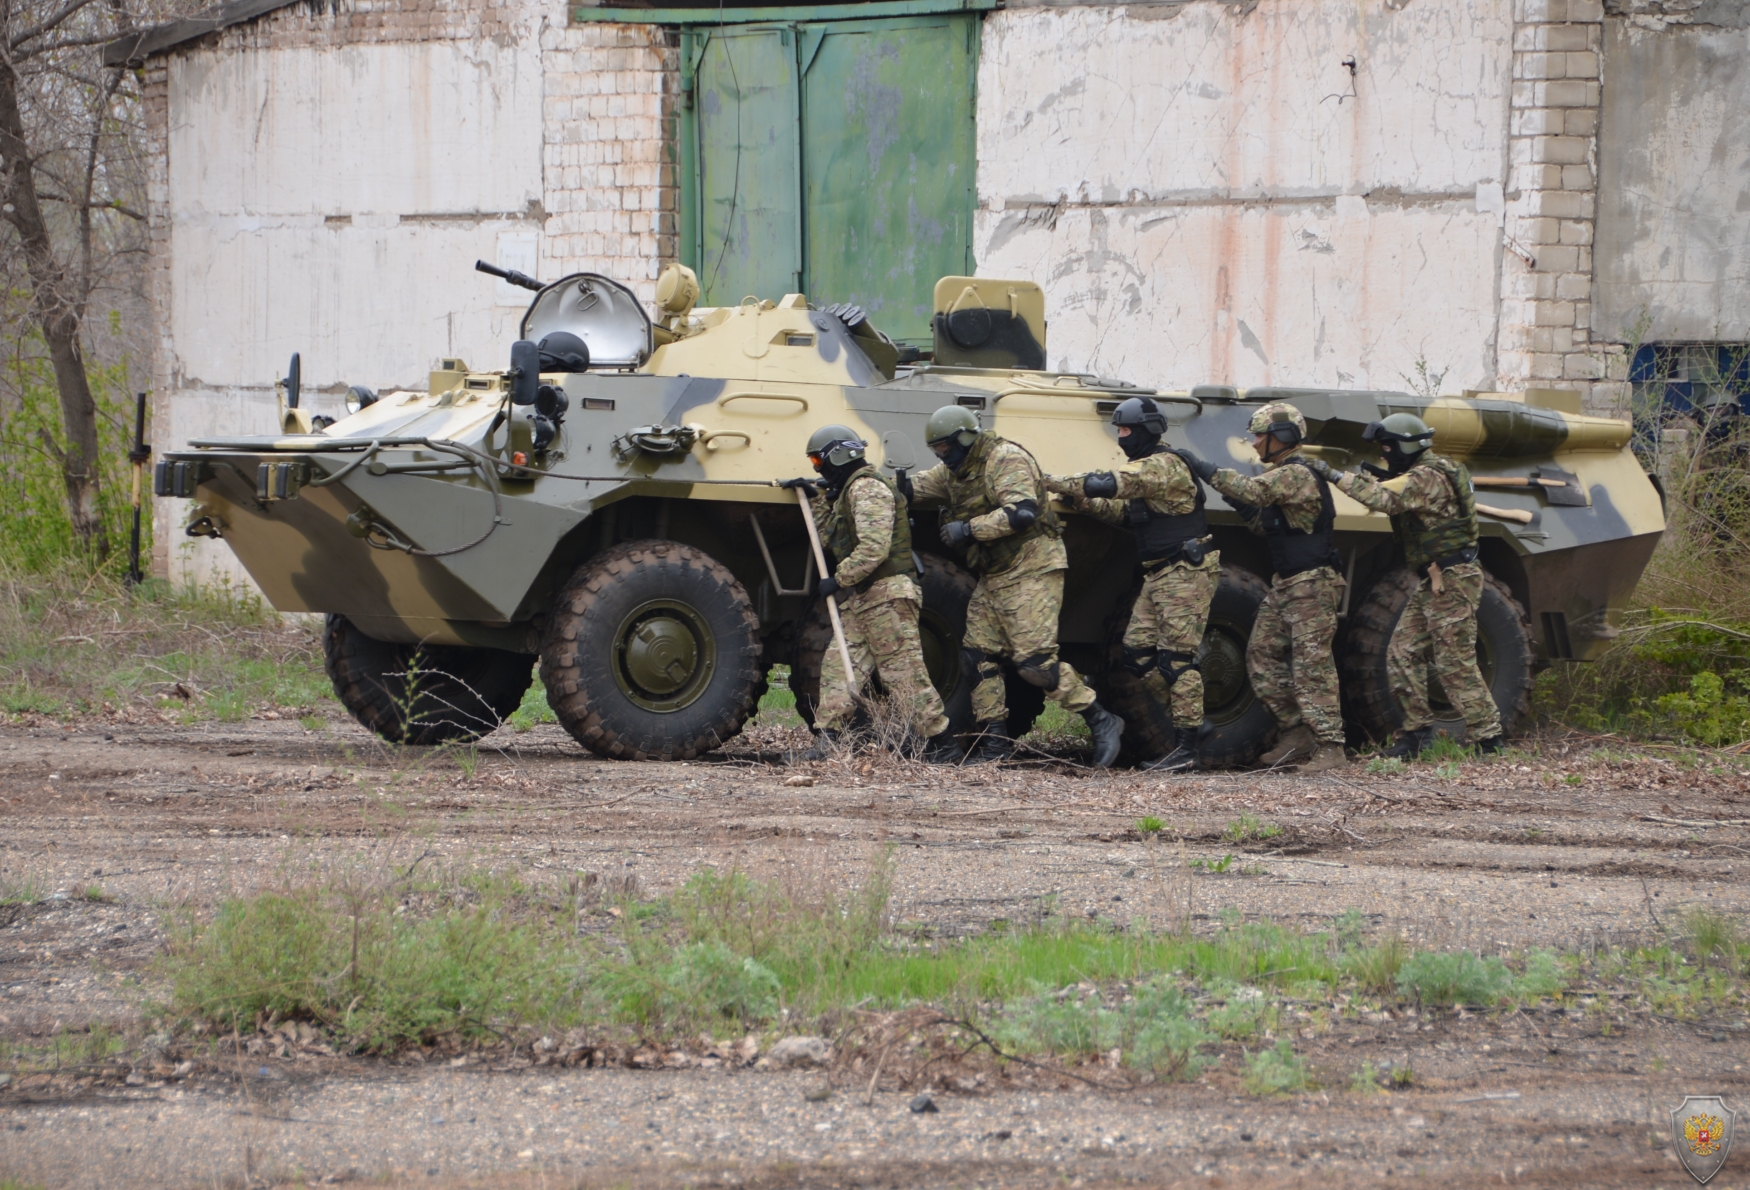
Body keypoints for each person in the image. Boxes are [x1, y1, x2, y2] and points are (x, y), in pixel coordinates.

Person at [909, 405, 1125, 767]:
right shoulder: (953, 472)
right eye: (936, 451)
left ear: (964, 439)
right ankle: (995, 743)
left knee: (1035, 664)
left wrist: (969, 529)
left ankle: (1101, 719)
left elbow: (1022, 512)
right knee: (976, 656)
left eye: (945, 449)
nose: (942, 457)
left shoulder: (1005, 458)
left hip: (1032, 566)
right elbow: (914, 487)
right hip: (995, 575)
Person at [1306, 413, 1505, 757]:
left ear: (1405, 445)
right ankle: (1415, 735)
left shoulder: (1427, 476)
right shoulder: (1424, 473)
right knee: (1401, 651)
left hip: (1454, 579)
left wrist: (1334, 474)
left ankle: (1489, 740)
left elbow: (1382, 500)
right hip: (1436, 579)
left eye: (1388, 446)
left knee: (1454, 662)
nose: (1384, 453)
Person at [1048, 397, 1219, 771]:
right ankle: (1190, 719)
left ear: (1146, 431)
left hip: (1184, 572)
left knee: (1176, 661)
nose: (1121, 438)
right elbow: (1127, 514)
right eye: (1119, 430)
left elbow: (1109, 484)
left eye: (1126, 430)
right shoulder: (1148, 471)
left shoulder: (1164, 465)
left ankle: (1187, 753)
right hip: (1160, 573)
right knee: (1136, 654)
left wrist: (1050, 481)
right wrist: (1082, 502)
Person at [1180, 403, 1348, 773]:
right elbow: (1262, 523)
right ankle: (1295, 730)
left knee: (1312, 667)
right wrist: (1239, 503)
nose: (1254, 443)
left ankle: (1331, 748)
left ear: (1283, 437)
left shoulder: (1296, 474)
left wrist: (1201, 466)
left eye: (1260, 435)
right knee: (1261, 655)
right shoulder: (1284, 478)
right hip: (1288, 584)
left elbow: (1251, 490)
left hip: (1312, 585)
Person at [780, 425, 955, 762]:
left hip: (887, 596)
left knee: (904, 676)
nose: (817, 466)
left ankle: (943, 744)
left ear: (838, 454)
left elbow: (874, 548)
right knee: (836, 666)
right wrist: (813, 498)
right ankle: (827, 742)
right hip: (864, 598)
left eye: (819, 458)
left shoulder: (868, 489)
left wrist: (839, 578)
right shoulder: (847, 492)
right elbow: (831, 539)